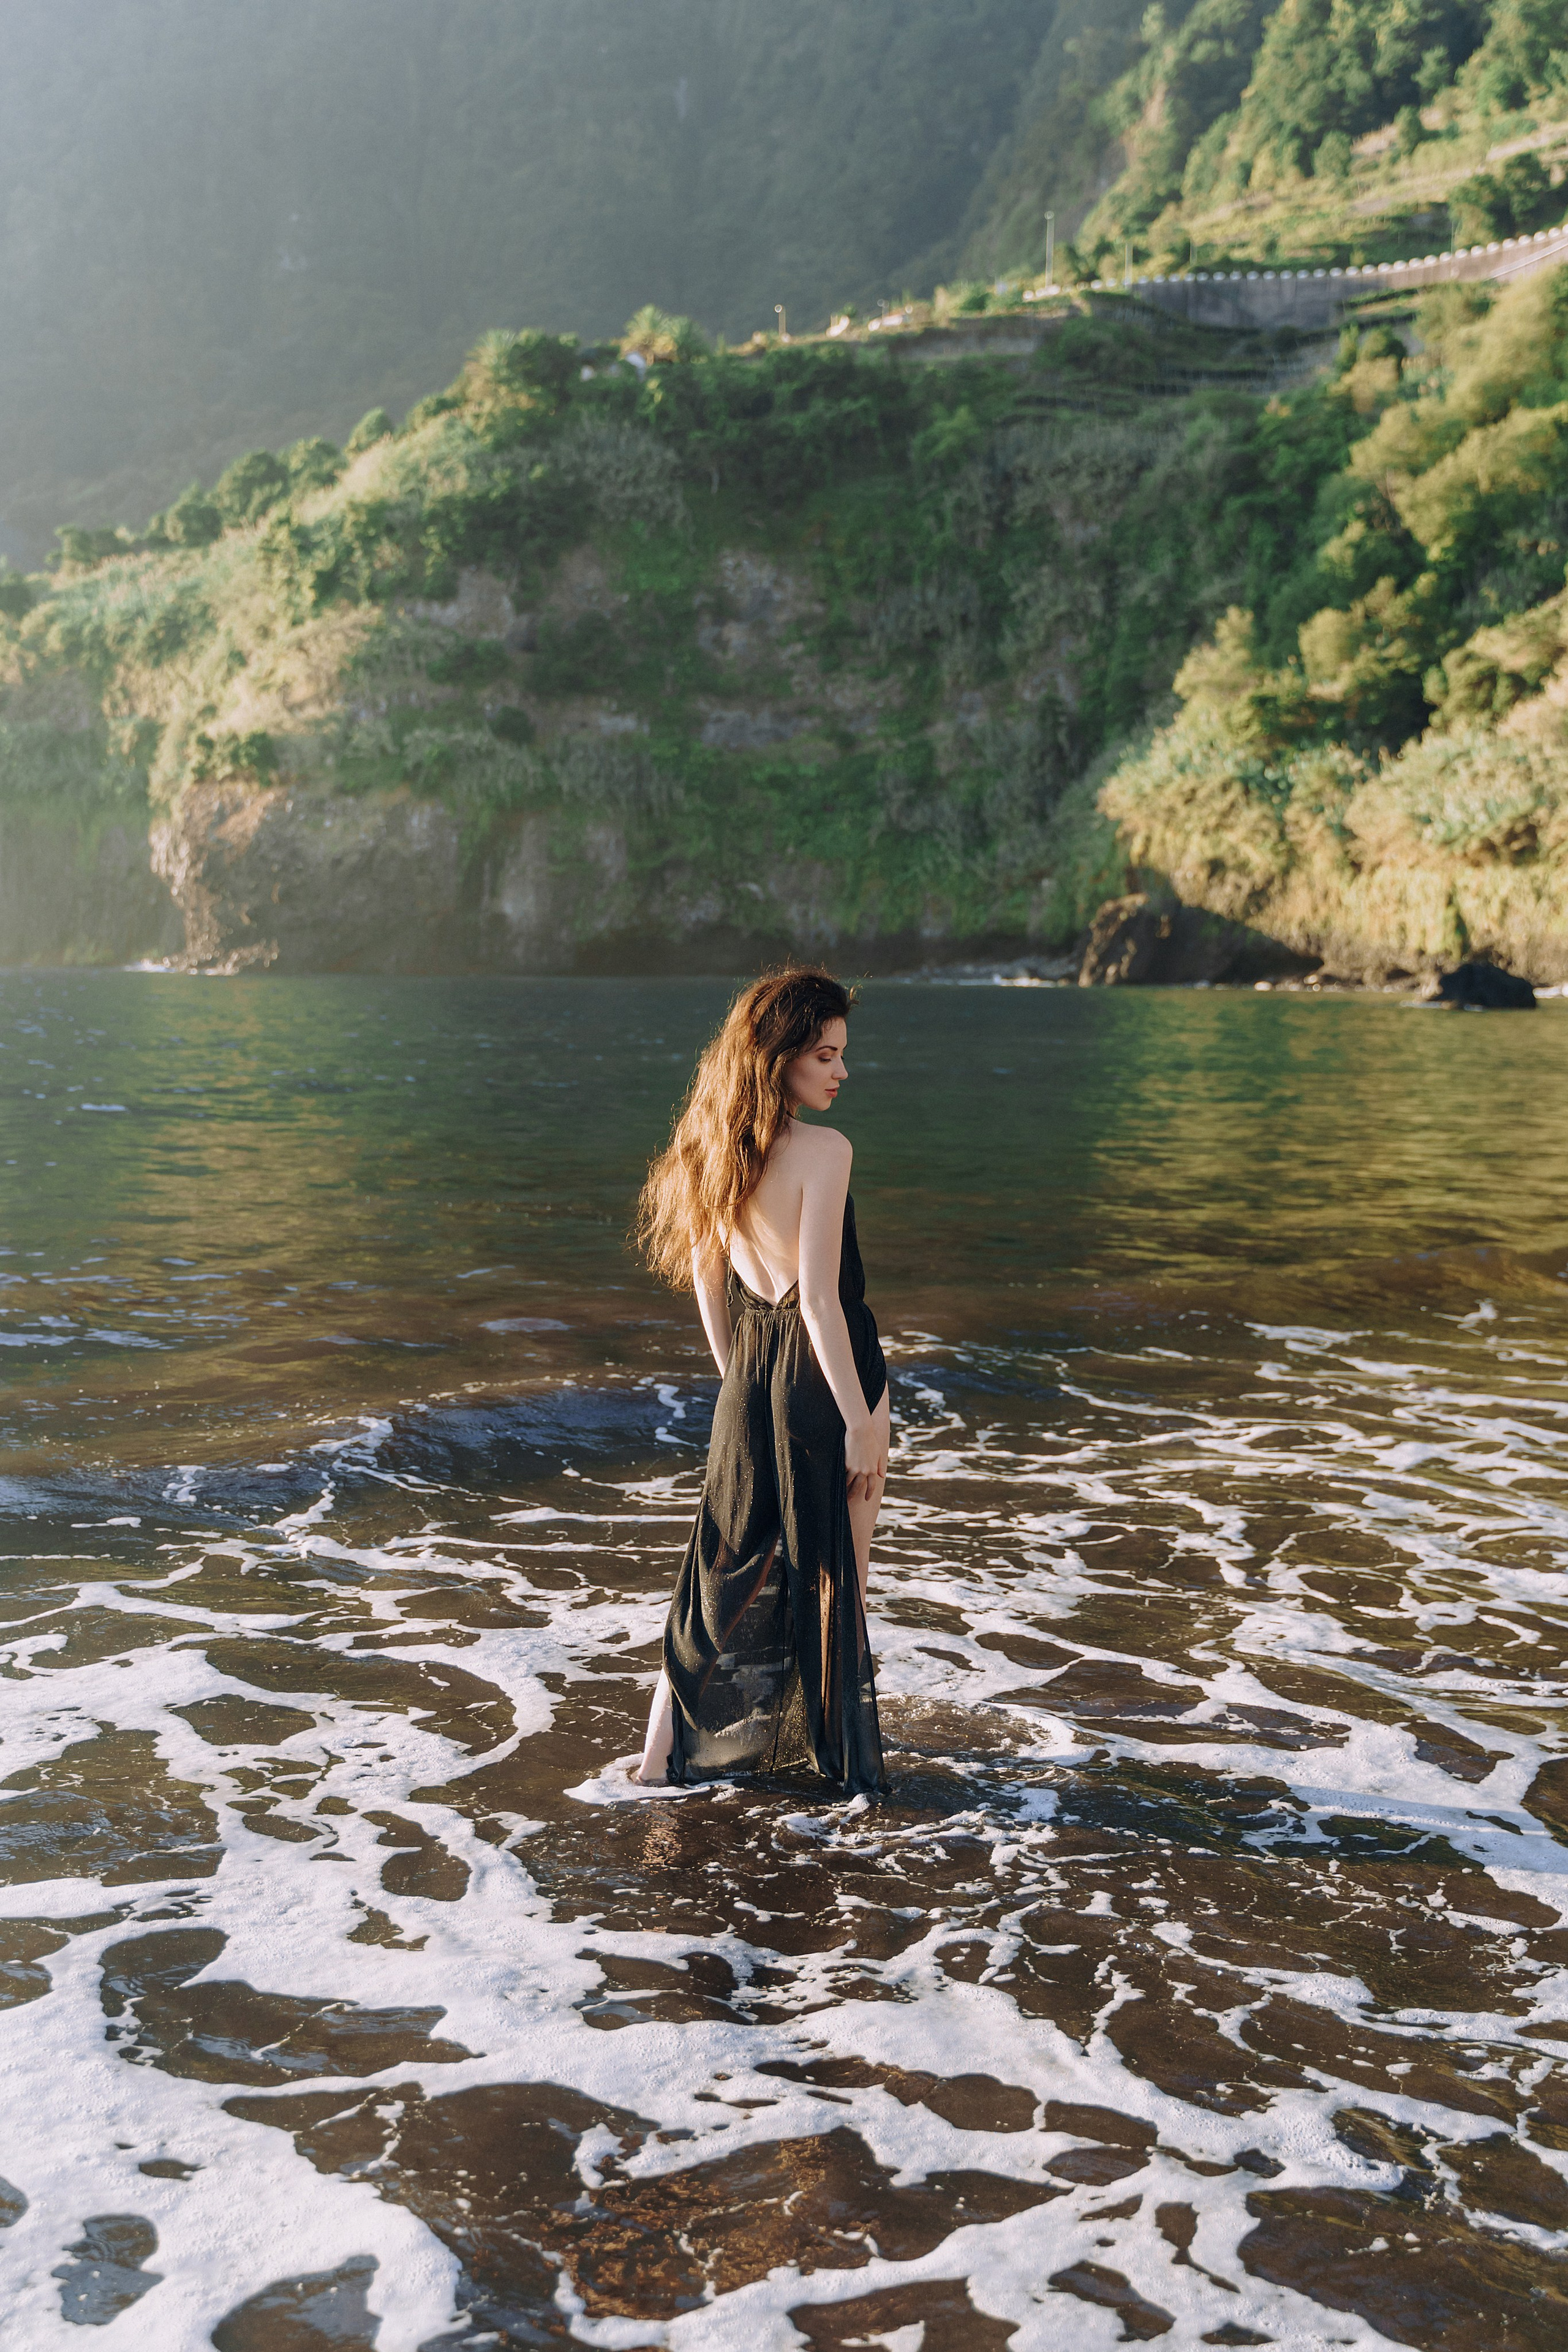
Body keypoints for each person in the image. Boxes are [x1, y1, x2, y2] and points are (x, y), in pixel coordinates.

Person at [631, 967, 889, 1795]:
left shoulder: (709, 1148)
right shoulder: (826, 1151)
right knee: (835, 1582)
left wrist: (742, 1382)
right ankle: (841, 1769)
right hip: (832, 1379)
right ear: (779, 1057)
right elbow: (819, 1298)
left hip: (749, 1380)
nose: (840, 1071)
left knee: (717, 1575)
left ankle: (657, 1758)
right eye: (824, 1054)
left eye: (842, 1054)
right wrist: (861, 1420)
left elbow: (712, 1285)